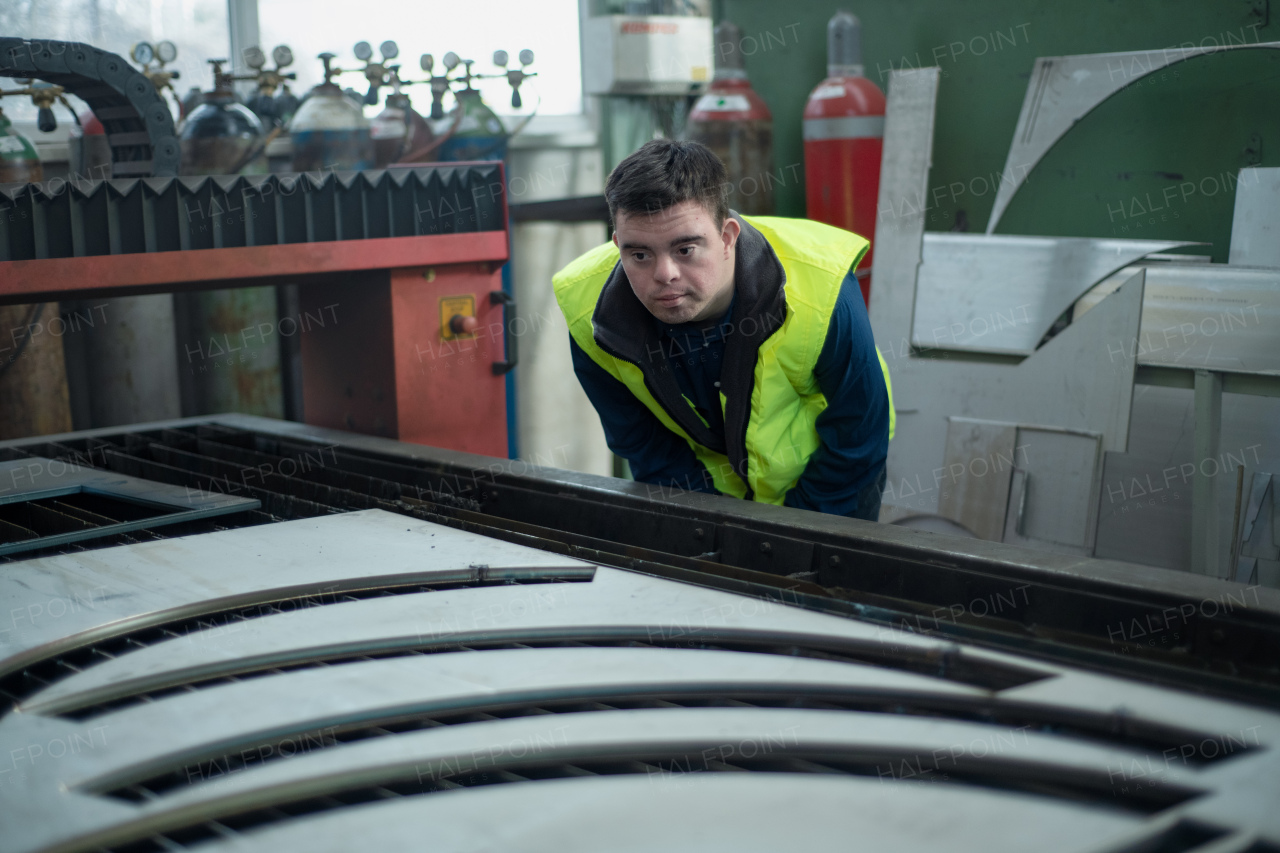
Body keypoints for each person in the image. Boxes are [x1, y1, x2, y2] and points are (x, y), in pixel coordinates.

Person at [552, 139, 893, 521]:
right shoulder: (591, 313)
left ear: (727, 236)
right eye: (640, 255)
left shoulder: (820, 286)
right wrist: (713, 530)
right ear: (618, 245)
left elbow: (858, 429)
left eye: (685, 250)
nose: (665, 275)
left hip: (827, 485)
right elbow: (645, 445)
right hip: (702, 497)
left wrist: (798, 530)